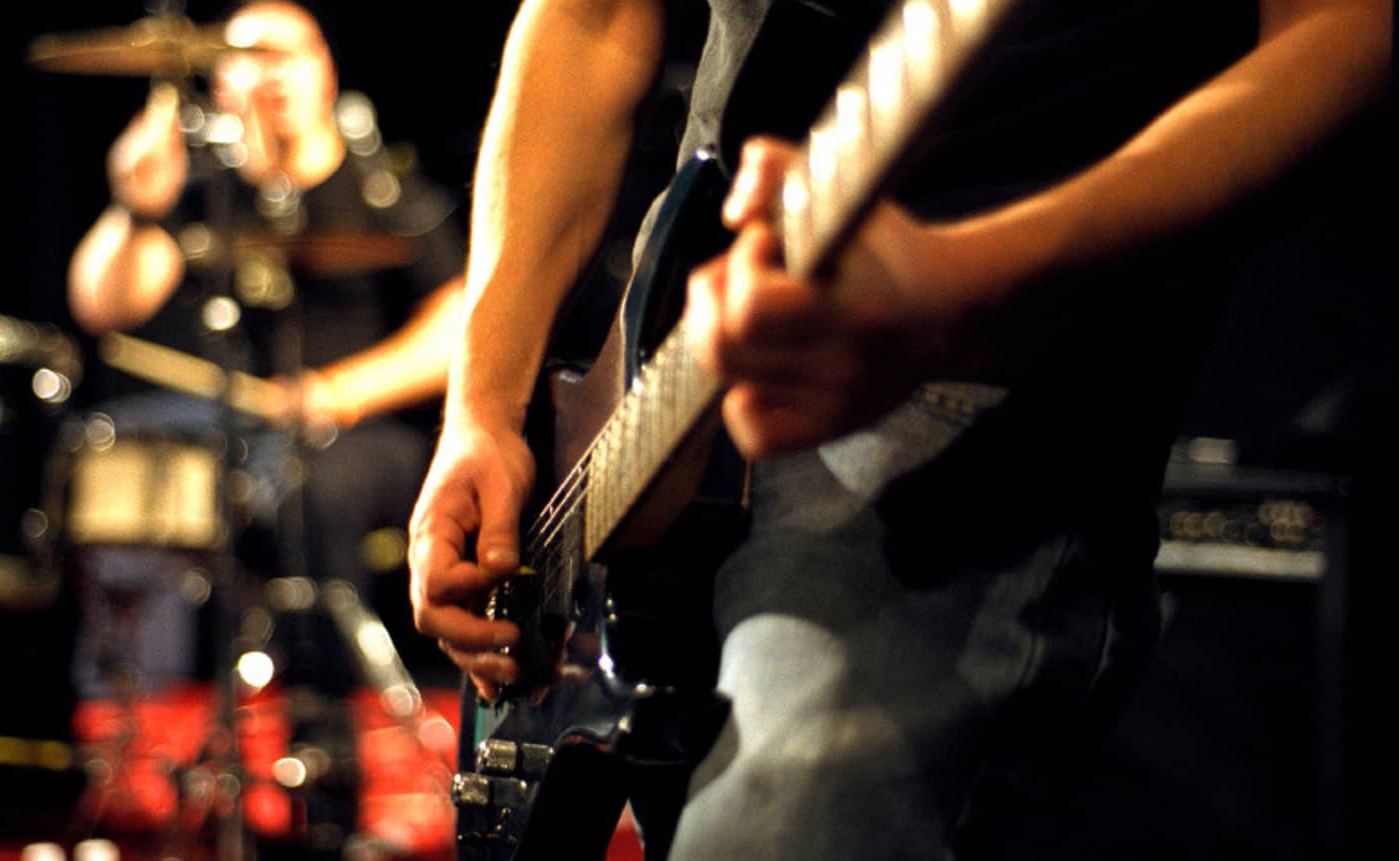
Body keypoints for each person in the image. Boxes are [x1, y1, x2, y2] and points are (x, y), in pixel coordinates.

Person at [408, 0, 1389, 858]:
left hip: (980, 391)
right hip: (664, 378)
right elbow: (590, 16)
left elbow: (1347, 28)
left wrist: (967, 282)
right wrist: (483, 408)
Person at [67, 0, 462, 702]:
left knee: (315, 492)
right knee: (110, 454)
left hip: (362, 433)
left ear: (327, 72)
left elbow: (458, 319)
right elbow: (104, 304)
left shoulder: (384, 189)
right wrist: (136, 207)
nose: (274, 74)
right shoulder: (204, 191)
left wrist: (338, 390)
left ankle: (324, 741)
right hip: (236, 428)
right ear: (221, 84)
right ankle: (123, 718)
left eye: (292, 54)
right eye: (251, 56)